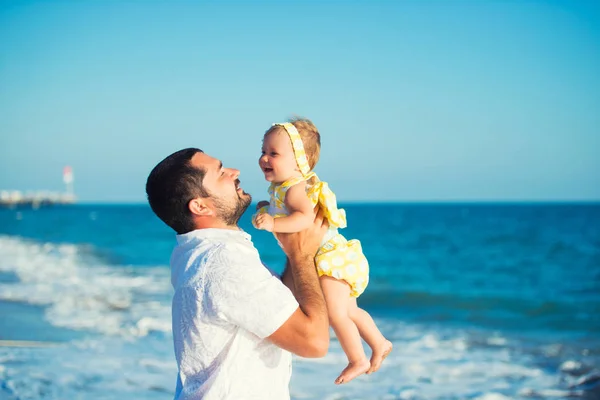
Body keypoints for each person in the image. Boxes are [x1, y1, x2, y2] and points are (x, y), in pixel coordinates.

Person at [145, 148, 330, 400]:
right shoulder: (223, 262)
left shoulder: (192, 252)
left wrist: (292, 250)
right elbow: (314, 342)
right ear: (200, 206)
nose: (235, 172)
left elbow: (282, 306)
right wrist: (302, 256)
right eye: (221, 172)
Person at [253, 119, 393, 385]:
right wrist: (267, 209)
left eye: (273, 153)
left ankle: (358, 359)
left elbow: (304, 219)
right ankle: (379, 341)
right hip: (330, 258)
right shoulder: (282, 188)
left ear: (300, 161)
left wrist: (273, 222)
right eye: (263, 151)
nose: (264, 158)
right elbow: (286, 213)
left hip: (331, 258)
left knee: (335, 312)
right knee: (350, 310)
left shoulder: (296, 189)